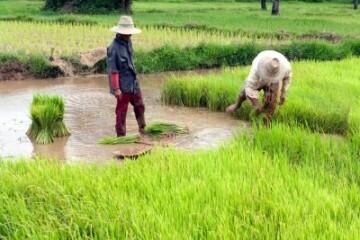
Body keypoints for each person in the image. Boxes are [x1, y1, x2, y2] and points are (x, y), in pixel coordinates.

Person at [107, 16, 146, 136]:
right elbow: (113, 70)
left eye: (130, 33)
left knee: (139, 105)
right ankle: (121, 136)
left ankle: (142, 128)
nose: (130, 35)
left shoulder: (128, 42)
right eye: (127, 33)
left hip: (133, 82)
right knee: (121, 111)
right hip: (122, 85)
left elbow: (130, 61)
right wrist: (117, 89)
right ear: (120, 32)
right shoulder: (113, 48)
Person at [226, 50, 292, 121]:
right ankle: (236, 105)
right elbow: (249, 88)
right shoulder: (256, 70)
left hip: (276, 78)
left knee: (272, 102)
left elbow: (286, 80)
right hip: (260, 77)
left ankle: (266, 119)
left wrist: (283, 95)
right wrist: (257, 105)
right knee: (243, 92)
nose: (269, 80)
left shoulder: (285, 68)